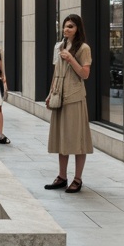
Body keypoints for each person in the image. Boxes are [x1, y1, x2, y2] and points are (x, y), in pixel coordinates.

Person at [44, 13, 93, 193]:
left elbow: (85, 74)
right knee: (61, 138)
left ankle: (77, 179)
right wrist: (50, 93)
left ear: (78, 28)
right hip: (60, 97)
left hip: (74, 97)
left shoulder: (84, 48)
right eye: (65, 25)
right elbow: (56, 72)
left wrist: (71, 59)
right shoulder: (60, 46)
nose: (66, 29)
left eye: (71, 26)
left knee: (77, 140)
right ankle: (62, 176)